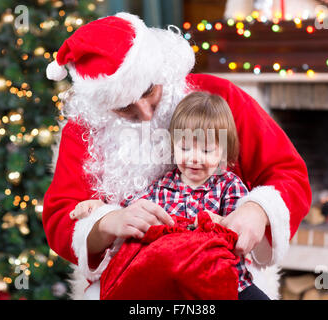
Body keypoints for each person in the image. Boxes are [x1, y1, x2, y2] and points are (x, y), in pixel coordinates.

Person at [43, 12, 312, 300]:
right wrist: (108, 222)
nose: (146, 114)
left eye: (148, 90)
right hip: (130, 273)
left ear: (160, 70)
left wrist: (257, 211)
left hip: (219, 269)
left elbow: (288, 173)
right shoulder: (84, 130)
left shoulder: (219, 99)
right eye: (124, 107)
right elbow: (61, 215)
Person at [70, 92, 270, 299]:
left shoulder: (229, 186)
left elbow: (239, 235)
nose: (194, 158)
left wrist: (218, 222)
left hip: (223, 279)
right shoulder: (163, 185)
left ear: (223, 152)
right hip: (173, 282)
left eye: (207, 151)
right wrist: (99, 208)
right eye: (184, 148)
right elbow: (128, 211)